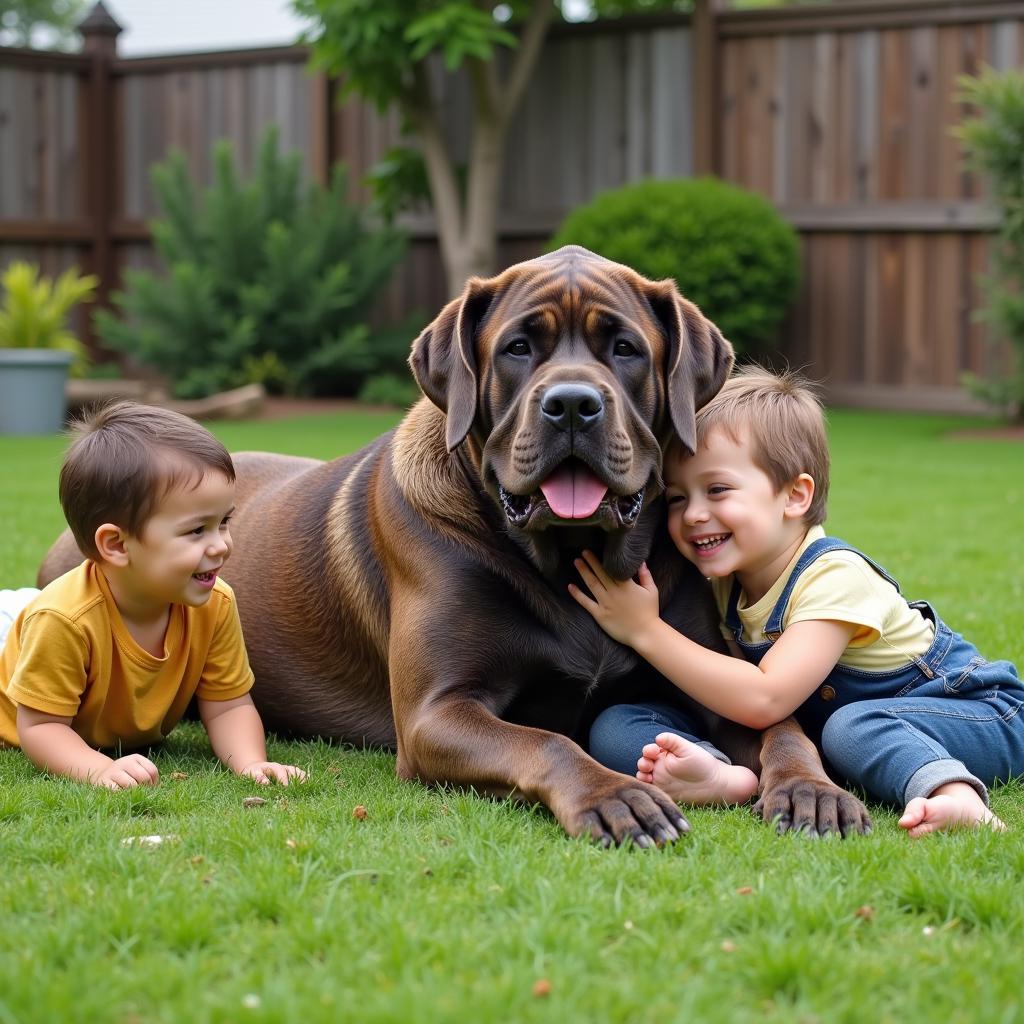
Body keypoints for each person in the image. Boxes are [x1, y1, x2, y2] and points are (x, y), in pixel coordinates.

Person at [571, 366, 1024, 836]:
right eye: (678, 498)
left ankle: (955, 797)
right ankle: (717, 774)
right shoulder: (728, 582)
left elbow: (765, 699)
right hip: (847, 730)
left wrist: (645, 630)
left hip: (978, 714)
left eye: (718, 490)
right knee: (617, 723)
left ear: (794, 495)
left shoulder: (834, 576)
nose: (695, 515)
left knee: (853, 728)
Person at [0, 402, 306, 790]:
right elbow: (41, 726)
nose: (222, 545)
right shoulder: (64, 621)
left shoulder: (215, 602)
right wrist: (96, 767)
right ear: (116, 544)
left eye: (224, 521)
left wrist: (250, 763)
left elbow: (229, 704)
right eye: (197, 530)